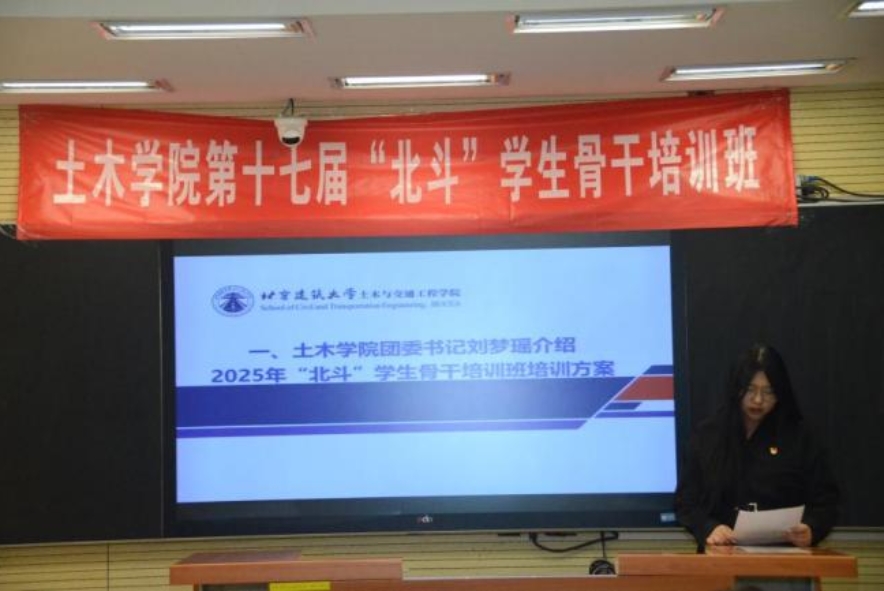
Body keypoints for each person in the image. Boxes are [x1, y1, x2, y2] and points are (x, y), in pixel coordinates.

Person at [674, 344, 839, 550]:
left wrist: (812, 528)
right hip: (721, 554)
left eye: (769, 392)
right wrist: (709, 528)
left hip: (785, 556)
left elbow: (827, 501)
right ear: (736, 389)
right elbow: (686, 502)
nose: (758, 400)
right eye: (750, 390)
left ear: (780, 393)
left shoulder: (801, 438)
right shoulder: (708, 436)